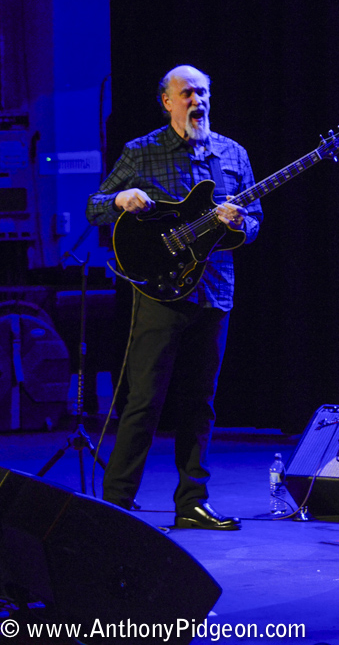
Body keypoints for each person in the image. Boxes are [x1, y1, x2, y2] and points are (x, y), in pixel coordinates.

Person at [86, 65, 262, 531]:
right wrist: (122, 198)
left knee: (201, 402)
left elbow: (256, 219)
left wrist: (242, 224)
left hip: (215, 292)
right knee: (145, 400)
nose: (196, 100)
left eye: (202, 92)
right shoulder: (141, 151)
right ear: (167, 101)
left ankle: (192, 502)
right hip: (160, 295)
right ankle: (116, 503)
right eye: (187, 93)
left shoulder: (232, 153)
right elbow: (93, 205)